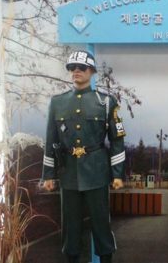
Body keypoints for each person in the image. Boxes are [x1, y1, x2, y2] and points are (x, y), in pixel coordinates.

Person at [42, 50, 125, 263]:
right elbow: (51, 139)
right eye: (72, 68)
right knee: (71, 227)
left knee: (101, 225)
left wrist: (117, 174)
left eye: (81, 68)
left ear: (92, 71)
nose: (76, 71)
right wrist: (48, 175)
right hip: (68, 172)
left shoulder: (106, 102)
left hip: (97, 172)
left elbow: (117, 139)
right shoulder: (57, 102)